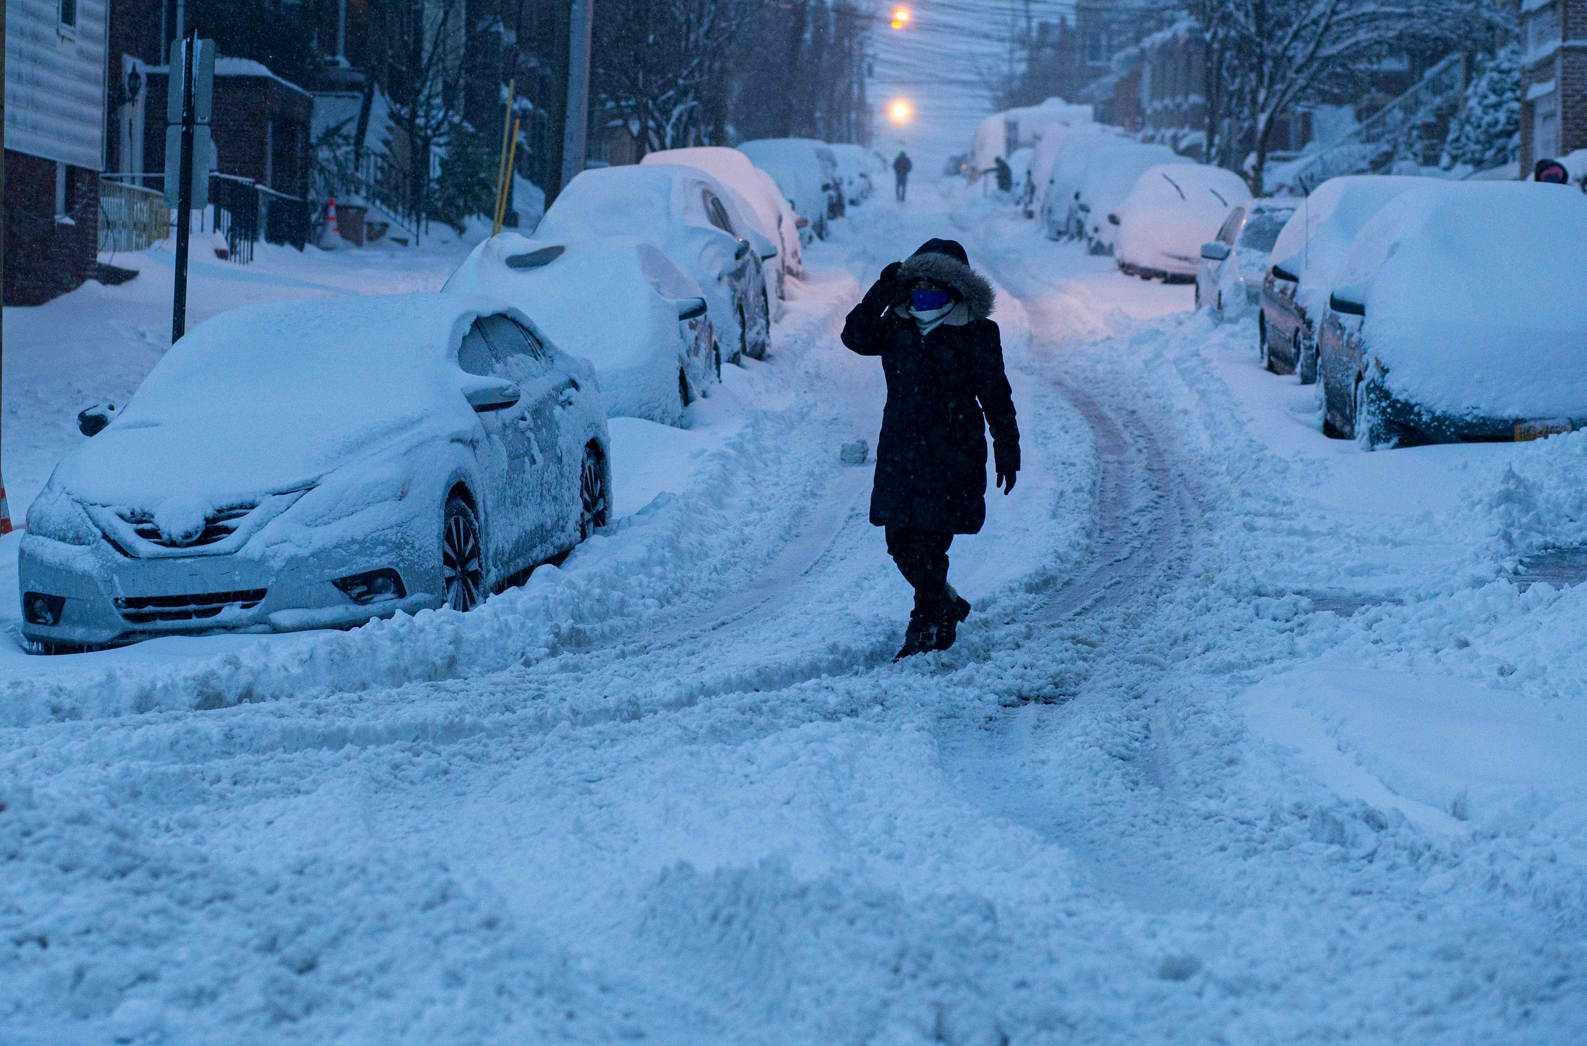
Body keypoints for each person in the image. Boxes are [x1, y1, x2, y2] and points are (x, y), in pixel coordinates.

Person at [840, 239, 1020, 660]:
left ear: (956, 292)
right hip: (902, 449)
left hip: (953, 451)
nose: (923, 299)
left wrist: (1007, 446)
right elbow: (855, 336)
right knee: (899, 540)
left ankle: (924, 626)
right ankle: (946, 602)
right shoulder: (897, 326)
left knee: (931, 542)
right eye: (917, 289)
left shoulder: (977, 332)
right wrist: (881, 292)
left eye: (934, 292)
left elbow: (996, 395)